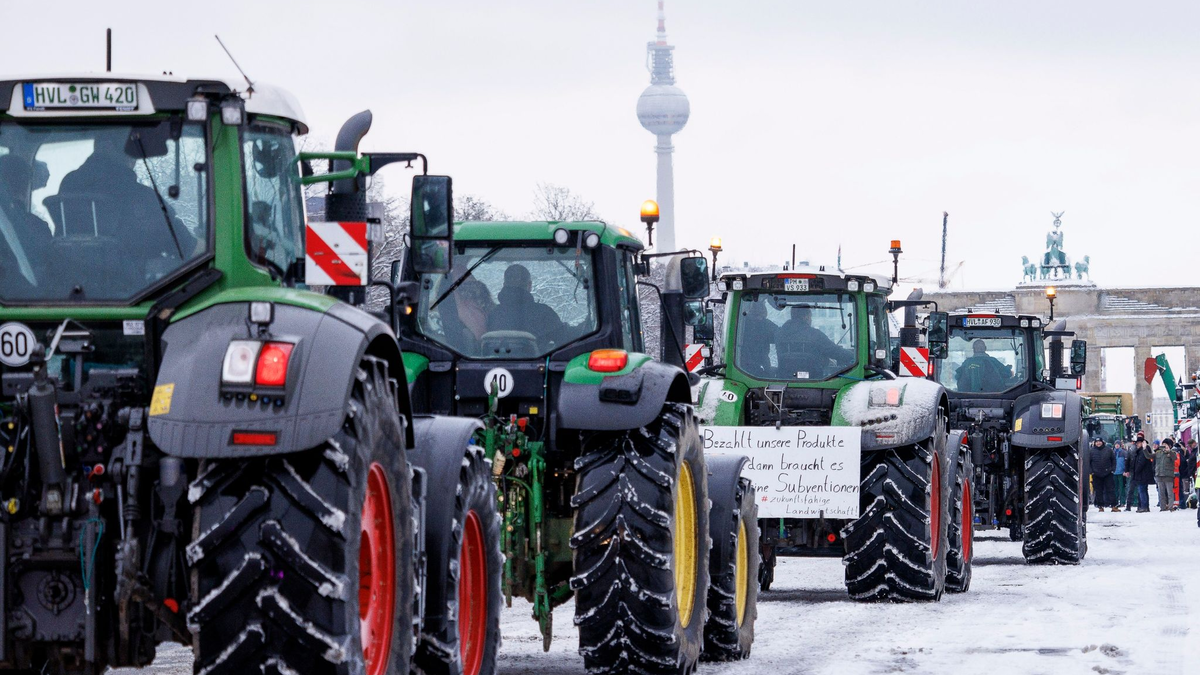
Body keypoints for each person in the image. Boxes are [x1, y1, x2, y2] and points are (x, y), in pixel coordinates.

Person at [55, 132, 197, 262]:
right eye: (130, 147)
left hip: (68, 278)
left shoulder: (69, 188)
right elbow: (186, 246)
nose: (135, 157)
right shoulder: (142, 199)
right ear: (107, 146)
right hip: (133, 280)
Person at [489, 264, 565, 348]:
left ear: (504, 285)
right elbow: (564, 339)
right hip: (541, 357)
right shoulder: (545, 313)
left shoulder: (491, 314)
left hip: (495, 357)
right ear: (529, 285)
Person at [776, 306, 854, 379]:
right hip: (815, 380)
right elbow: (835, 351)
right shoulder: (815, 335)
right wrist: (854, 356)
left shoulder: (779, 334)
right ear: (806, 317)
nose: (811, 320)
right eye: (810, 317)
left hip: (784, 379)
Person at [738, 300, 777, 376]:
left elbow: (780, 335)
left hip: (743, 366)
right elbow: (782, 335)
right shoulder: (764, 324)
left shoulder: (741, 323)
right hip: (749, 365)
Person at [1088, 438, 1116, 512]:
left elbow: (1113, 460)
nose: (1098, 443)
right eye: (1097, 442)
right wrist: (1091, 471)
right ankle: (1100, 506)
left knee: (1111, 490)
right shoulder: (1091, 451)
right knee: (1098, 491)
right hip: (1096, 474)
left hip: (1108, 473)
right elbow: (1088, 462)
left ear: (1102, 442)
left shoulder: (1108, 450)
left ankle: (1114, 506)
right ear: (1095, 443)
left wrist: (1112, 469)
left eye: (1099, 442)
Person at [1129, 433, 1155, 512]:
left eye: (1138, 443)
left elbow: (1141, 463)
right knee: (1143, 491)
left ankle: (1144, 506)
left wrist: (1136, 471)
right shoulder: (1140, 451)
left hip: (1143, 475)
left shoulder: (1143, 451)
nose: (1137, 444)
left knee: (1142, 491)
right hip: (1142, 475)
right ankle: (1144, 506)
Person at [1154, 438, 1179, 512]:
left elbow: (1174, 458)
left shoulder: (1172, 452)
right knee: (1161, 493)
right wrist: (1145, 449)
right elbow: (1150, 456)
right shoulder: (1159, 452)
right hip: (1159, 475)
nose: (1164, 446)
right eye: (1163, 444)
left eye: (1165, 444)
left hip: (1168, 476)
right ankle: (1163, 507)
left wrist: (1169, 451)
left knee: (1170, 492)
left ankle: (1170, 506)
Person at [1113, 441, 1127, 511]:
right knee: (1115, 488)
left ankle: (1122, 502)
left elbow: (1126, 462)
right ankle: (1115, 502)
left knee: (1122, 488)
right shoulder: (1112, 453)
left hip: (1121, 473)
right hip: (1114, 473)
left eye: (1118, 444)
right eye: (1116, 444)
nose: (1117, 445)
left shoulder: (1124, 452)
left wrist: (1125, 470)